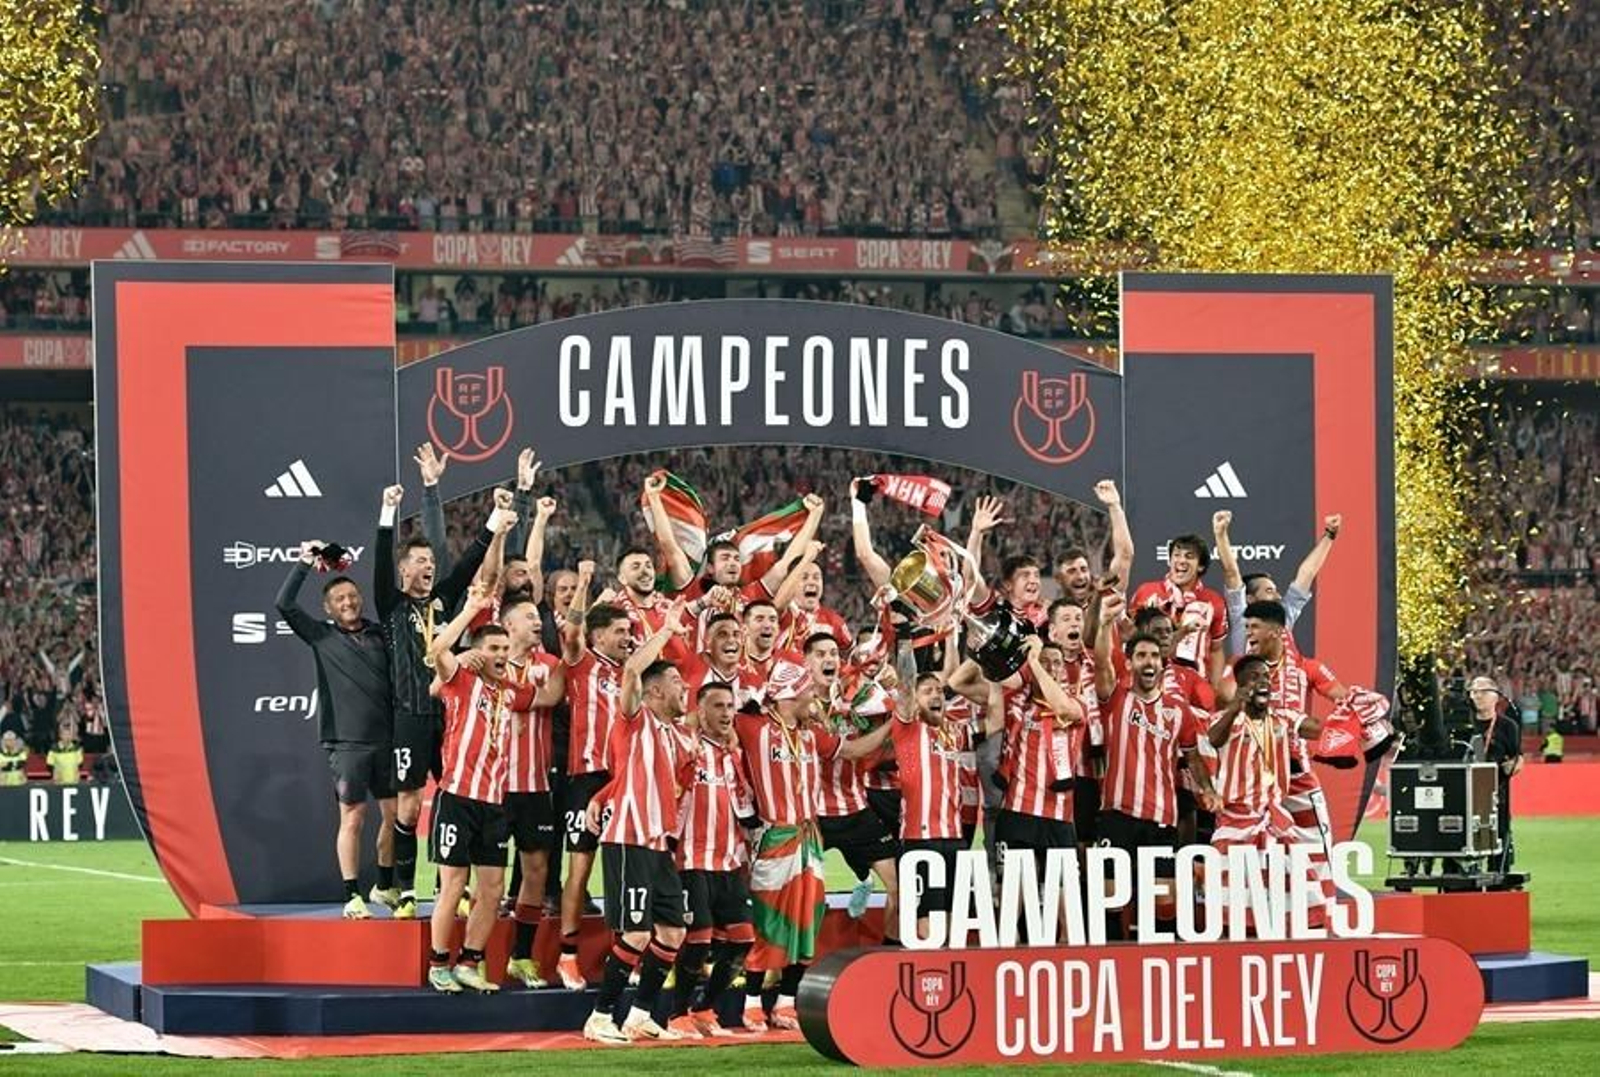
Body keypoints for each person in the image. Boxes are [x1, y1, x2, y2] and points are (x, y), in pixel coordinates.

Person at [736, 657, 893, 1032]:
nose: (813, 696)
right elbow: (717, 706)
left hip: (810, 838)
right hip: (774, 837)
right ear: (789, 695)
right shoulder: (754, 727)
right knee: (771, 921)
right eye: (806, 690)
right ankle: (752, 1001)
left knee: (809, 918)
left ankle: (787, 1001)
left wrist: (893, 723)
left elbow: (853, 750)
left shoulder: (811, 735)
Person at [374, 462, 499, 919]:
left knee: (455, 800)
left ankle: (453, 888)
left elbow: (469, 562)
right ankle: (407, 892)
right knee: (408, 808)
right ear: (403, 570)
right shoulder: (391, 604)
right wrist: (387, 511)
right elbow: (380, 557)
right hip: (410, 717)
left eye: (431, 561)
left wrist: (494, 520)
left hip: (451, 719)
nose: (428, 566)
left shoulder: (445, 598)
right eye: (420, 562)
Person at [580, 605, 695, 1044]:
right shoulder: (634, 718)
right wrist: (665, 630)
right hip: (628, 839)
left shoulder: (676, 735)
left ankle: (641, 1015)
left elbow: (633, 776)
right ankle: (599, 1016)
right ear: (655, 691)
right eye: (677, 683)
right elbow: (631, 670)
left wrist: (601, 795)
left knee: (672, 931)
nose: (685, 689)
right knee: (637, 931)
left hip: (657, 844)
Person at [424, 583, 536, 994]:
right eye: (493, 649)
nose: (502, 655)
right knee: (453, 884)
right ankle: (438, 964)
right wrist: (470, 612)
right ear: (477, 653)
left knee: (492, 889)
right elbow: (436, 652)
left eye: (505, 649)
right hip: (457, 797)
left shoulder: (511, 691)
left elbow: (540, 690)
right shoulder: (460, 680)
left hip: (494, 804)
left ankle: (469, 962)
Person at [277, 542, 397, 920]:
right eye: (339, 599)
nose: (348, 602)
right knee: (353, 818)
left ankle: (385, 885)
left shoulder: (381, 634)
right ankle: (352, 895)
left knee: (396, 817)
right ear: (328, 608)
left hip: (388, 740)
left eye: (352, 596)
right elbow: (284, 604)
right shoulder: (321, 636)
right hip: (347, 745)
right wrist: (304, 562)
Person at [1093, 594, 1217, 940]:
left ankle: (1159, 960)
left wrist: (1207, 788)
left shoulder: (1178, 710)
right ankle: (1113, 961)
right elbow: (1101, 663)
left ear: (1163, 663)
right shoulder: (1116, 698)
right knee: (1111, 899)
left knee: (1163, 903)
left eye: (1153, 656)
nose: (1148, 661)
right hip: (1116, 815)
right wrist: (1104, 624)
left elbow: (1192, 756)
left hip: (1161, 818)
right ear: (1129, 662)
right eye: (1140, 655)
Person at [668, 681, 758, 1039]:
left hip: (729, 862)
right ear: (700, 711)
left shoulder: (734, 756)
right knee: (699, 940)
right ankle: (677, 1014)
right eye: (718, 706)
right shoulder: (688, 748)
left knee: (743, 939)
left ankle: (705, 1008)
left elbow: (743, 807)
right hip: (692, 860)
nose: (726, 713)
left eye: (730, 706)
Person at [555, 564, 630, 990]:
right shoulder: (582, 662)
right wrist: (584, 583)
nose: (626, 637)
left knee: (622, 869)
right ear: (599, 636)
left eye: (628, 631)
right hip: (585, 779)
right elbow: (571, 631)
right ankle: (567, 956)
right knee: (580, 867)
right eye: (619, 631)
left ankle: (627, 953)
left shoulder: (630, 672)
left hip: (622, 781)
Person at [499, 597, 568, 988]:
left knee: (537, 870)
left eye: (537, 616)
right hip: (494, 786)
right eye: (528, 617)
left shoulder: (549, 664)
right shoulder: (487, 661)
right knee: (490, 878)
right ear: (508, 626)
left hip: (536, 786)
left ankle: (521, 956)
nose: (537, 622)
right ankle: (473, 957)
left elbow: (553, 695)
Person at [1212, 510, 1341, 657]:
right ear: (1250, 599)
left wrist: (1330, 535)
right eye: (1269, 591)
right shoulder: (1241, 618)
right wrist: (1220, 534)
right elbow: (1231, 573)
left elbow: (1307, 573)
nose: (1278, 596)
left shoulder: (1283, 615)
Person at [1131, 533, 1228, 685]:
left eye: (1189, 556)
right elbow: (1130, 638)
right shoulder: (1146, 592)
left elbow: (1216, 650)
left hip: (1195, 684)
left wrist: (1214, 689)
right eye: (1176, 555)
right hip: (1151, 682)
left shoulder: (1213, 601)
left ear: (1201, 566)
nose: (1181, 561)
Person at [1469, 676, 1523, 872]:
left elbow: (1517, 758)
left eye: (1483, 691)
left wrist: (1514, 766)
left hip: (1496, 793)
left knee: (1499, 834)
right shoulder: (1464, 724)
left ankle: (1499, 874)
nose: (1478, 696)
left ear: (1496, 696)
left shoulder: (1508, 726)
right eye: (1474, 691)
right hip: (1465, 791)